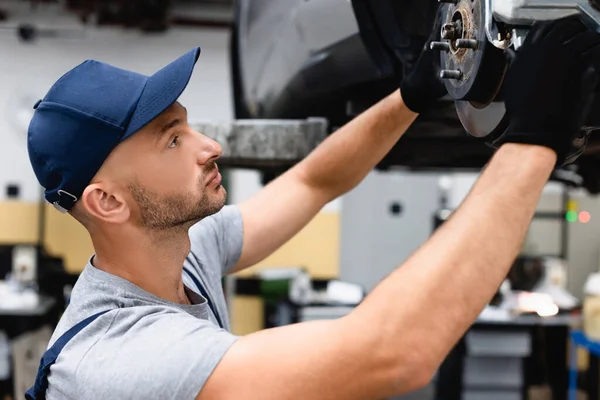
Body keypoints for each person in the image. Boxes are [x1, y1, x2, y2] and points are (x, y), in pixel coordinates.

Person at [24, 12, 599, 400]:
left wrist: (410, 97)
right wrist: (535, 137)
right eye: (172, 139)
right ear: (107, 201)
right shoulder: (121, 359)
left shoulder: (179, 253)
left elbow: (312, 184)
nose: (211, 146)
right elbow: (394, 353)